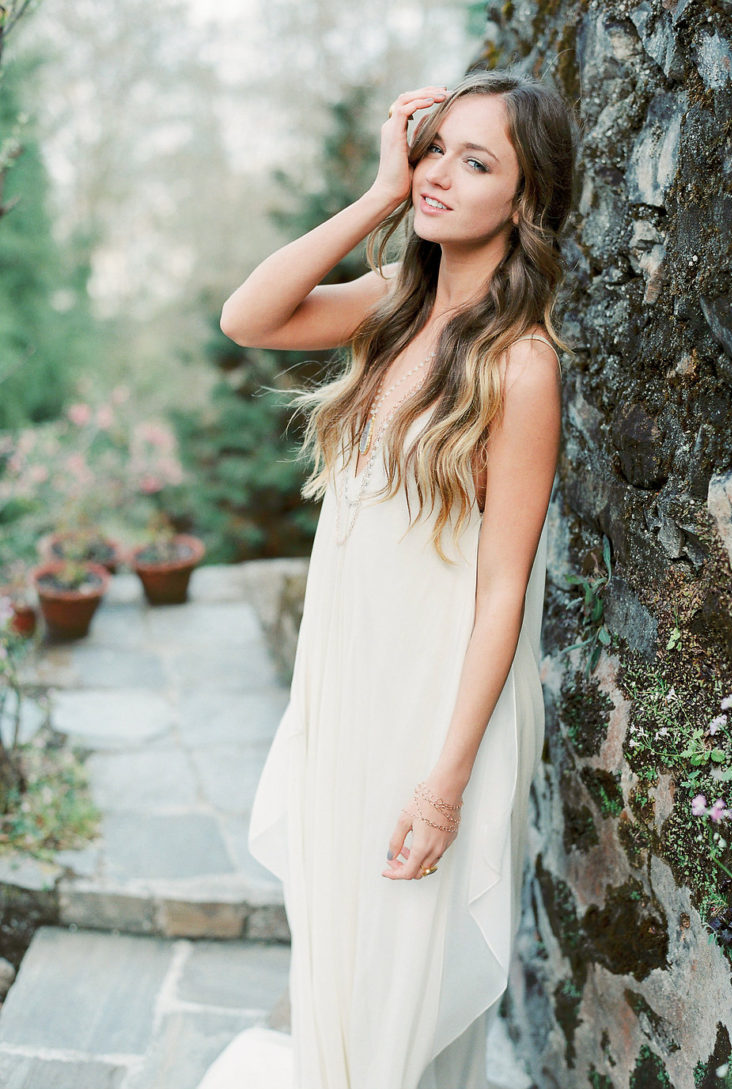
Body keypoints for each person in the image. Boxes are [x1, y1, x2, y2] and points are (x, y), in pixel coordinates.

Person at [221, 68, 576, 1089]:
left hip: (431, 712)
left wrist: (446, 784)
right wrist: (381, 194)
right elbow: (249, 317)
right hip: (345, 686)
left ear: (527, 196)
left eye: (478, 162)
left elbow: (502, 586)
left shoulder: (521, 364)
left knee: (395, 980)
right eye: (436, 149)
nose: (440, 176)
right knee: (337, 954)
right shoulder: (389, 304)